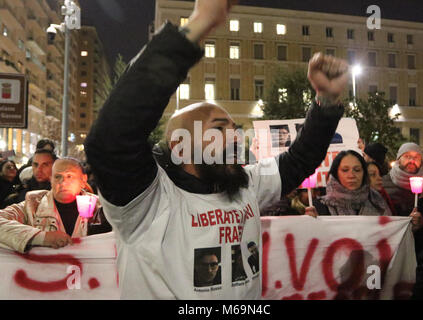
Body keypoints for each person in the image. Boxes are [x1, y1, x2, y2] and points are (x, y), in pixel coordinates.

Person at [84, 0, 348, 299]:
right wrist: (200, 23)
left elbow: (301, 158)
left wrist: (326, 102)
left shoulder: (245, 184)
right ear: (180, 145)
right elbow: (112, 138)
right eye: (219, 128)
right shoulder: (147, 201)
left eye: (235, 129)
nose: (235, 137)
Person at [0, 158, 111, 253]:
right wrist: (41, 237)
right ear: (51, 179)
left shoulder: (103, 208)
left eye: (69, 176)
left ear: (83, 180)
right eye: (57, 177)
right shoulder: (33, 205)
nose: (62, 182)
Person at [309, 150, 391, 216]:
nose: (351, 175)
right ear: (335, 174)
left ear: (364, 173)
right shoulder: (319, 207)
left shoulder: (377, 202)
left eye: (357, 170)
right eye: (345, 170)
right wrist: (312, 224)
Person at [383, 142, 423, 216]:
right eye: (407, 156)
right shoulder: (384, 182)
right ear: (399, 159)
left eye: (416, 157)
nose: (412, 161)